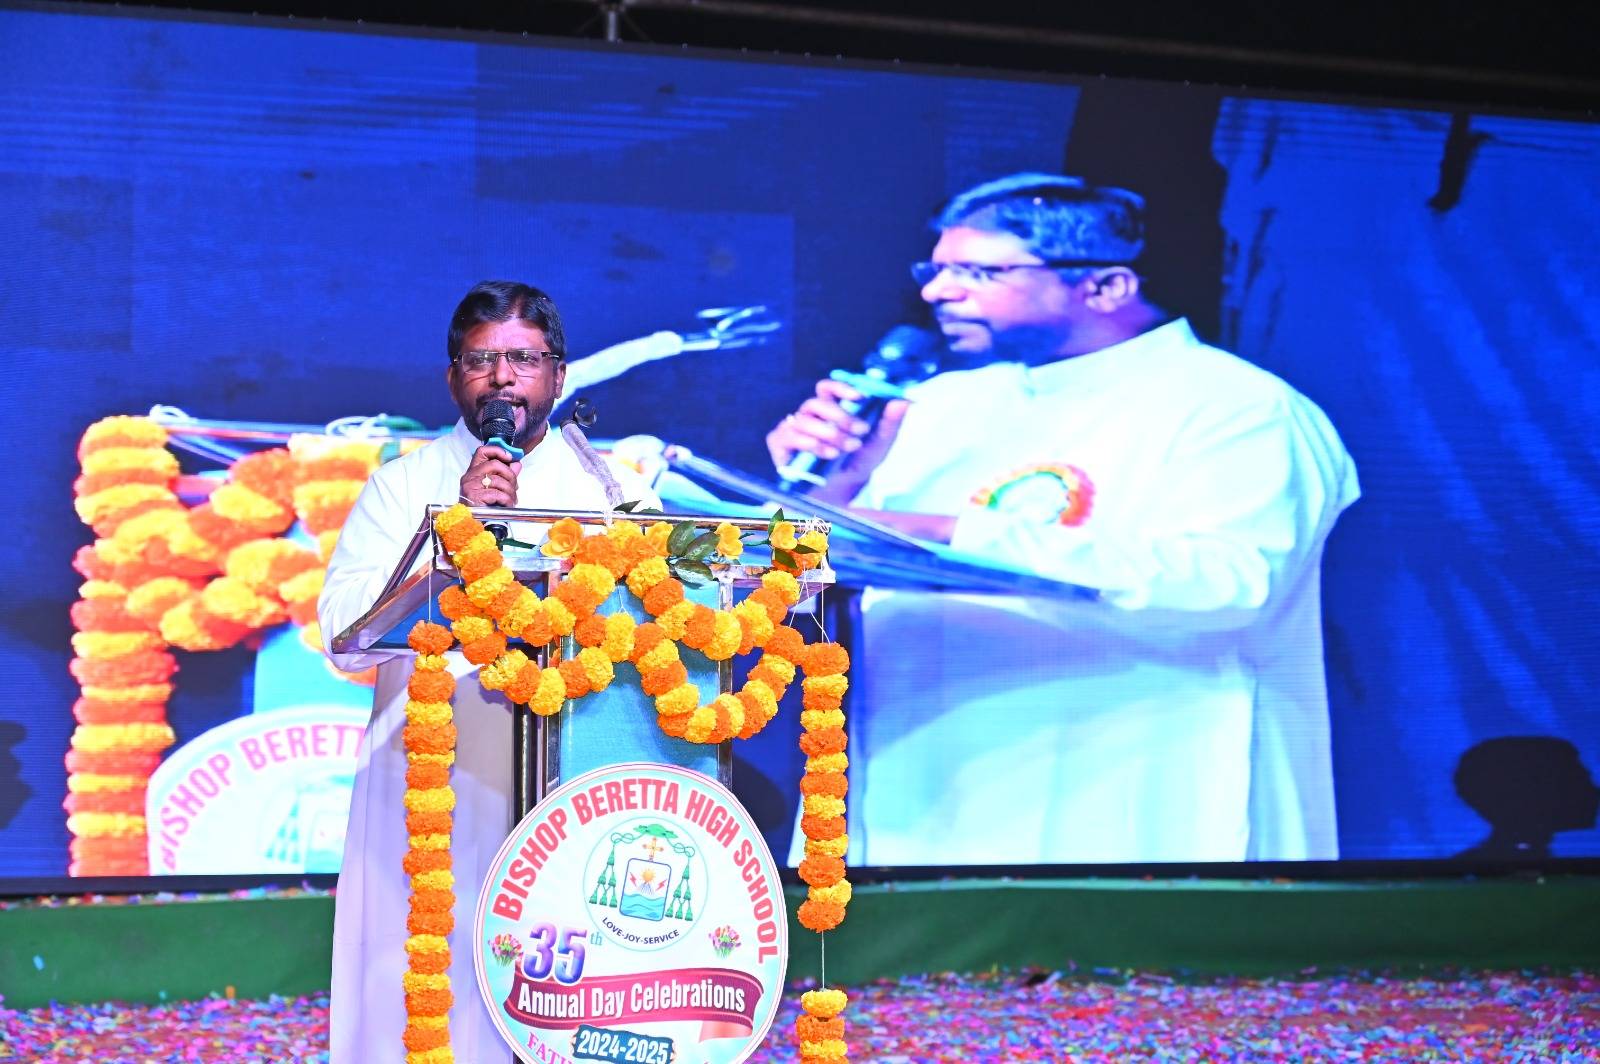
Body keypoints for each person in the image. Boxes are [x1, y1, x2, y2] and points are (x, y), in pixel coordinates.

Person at [767, 174, 1360, 865]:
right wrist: (833, 488)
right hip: (920, 792)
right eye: (935, 270)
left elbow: (1232, 585)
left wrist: (950, 534)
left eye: (979, 272)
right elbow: (812, 586)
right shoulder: (938, 405)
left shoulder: (1239, 407)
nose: (937, 292)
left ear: (1106, 287)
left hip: (1125, 794)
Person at [319, 281, 657, 1063]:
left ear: (558, 376)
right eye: (481, 360)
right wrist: (457, 533)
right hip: (438, 779)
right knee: (425, 989)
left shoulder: (617, 493)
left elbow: (663, 615)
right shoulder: (405, 485)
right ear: (453, 379)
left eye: (524, 359)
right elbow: (343, 635)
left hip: (580, 776)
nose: (503, 377)